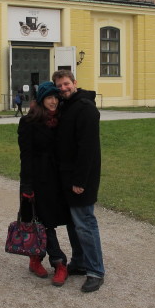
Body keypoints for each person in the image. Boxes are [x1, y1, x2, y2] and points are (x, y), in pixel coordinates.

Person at [52, 69, 105, 293]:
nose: (63, 88)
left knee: (85, 223)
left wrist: (80, 180)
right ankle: (80, 262)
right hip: (68, 175)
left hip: (81, 177)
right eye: (59, 86)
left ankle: (95, 271)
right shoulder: (68, 106)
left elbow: (88, 149)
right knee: (74, 223)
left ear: (74, 82)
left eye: (66, 84)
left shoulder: (85, 108)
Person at [17, 81, 71, 286]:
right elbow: (26, 156)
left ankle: (35, 258)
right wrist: (27, 186)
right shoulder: (29, 122)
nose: (54, 101)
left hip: (56, 179)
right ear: (41, 99)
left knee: (45, 221)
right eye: (50, 97)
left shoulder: (60, 120)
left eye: (56, 98)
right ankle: (59, 262)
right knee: (42, 222)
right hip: (37, 179)